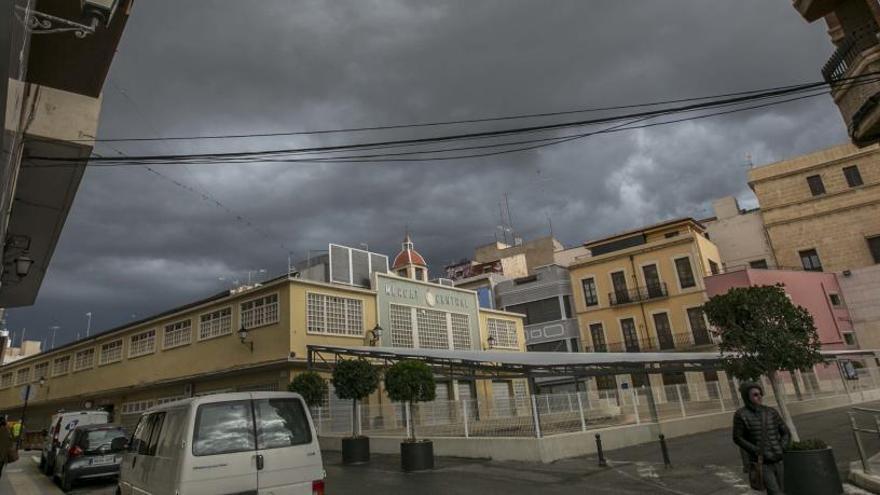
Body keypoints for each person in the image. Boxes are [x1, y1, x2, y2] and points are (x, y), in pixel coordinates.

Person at [733, 381, 791, 494]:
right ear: (747, 397)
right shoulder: (741, 414)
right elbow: (738, 438)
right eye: (755, 394)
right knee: (775, 492)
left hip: (778, 459)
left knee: (782, 490)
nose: (759, 397)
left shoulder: (771, 412)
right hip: (762, 462)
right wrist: (757, 451)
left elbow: (786, 432)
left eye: (760, 394)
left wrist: (782, 447)